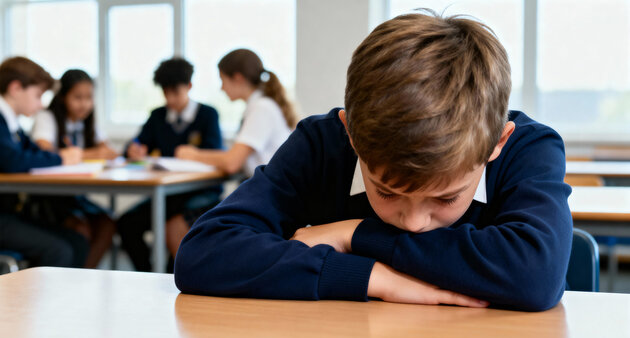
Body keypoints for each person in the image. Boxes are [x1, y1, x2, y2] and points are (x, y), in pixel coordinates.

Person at [174, 11, 573, 311]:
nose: (414, 223)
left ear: (496, 144)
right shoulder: (323, 143)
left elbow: (535, 274)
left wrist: (357, 235)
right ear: (350, 134)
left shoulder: (527, 147)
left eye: (446, 198)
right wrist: (367, 276)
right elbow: (204, 254)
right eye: (386, 190)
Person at [170, 49, 296, 255]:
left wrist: (193, 154)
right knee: (179, 221)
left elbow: (232, 162)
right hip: (266, 194)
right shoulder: (260, 105)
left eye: (222, 80)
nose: (221, 88)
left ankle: (198, 278)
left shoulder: (262, 108)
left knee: (178, 225)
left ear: (237, 78)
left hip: (271, 200)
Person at [119, 57, 223, 272]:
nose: (170, 99)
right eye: (166, 93)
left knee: (173, 228)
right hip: (167, 193)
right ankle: (146, 274)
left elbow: (215, 154)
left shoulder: (207, 115)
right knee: (126, 223)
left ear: (189, 87)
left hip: (200, 192)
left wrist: (193, 155)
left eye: (175, 92)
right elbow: (137, 143)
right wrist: (133, 149)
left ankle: (170, 276)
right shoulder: (158, 116)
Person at [0, 56, 88, 267]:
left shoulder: (13, 126)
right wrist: (61, 157)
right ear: (16, 88)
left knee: (77, 242)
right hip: (3, 218)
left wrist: (59, 156)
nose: (40, 105)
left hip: (11, 214)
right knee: (59, 250)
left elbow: (33, 150)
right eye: (38, 96)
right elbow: (12, 160)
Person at [28, 69, 116, 268]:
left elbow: (108, 151)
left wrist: (83, 154)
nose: (84, 104)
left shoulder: (86, 122)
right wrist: (87, 154)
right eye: (77, 97)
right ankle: (72, 280)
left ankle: (86, 274)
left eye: (88, 98)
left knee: (107, 224)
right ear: (62, 97)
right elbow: (44, 149)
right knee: (80, 228)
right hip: (48, 197)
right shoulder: (47, 117)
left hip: (75, 195)